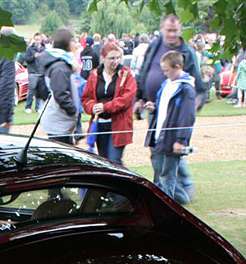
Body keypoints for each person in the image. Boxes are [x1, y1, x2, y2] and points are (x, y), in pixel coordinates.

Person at [134, 15, 204, 203]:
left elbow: (191, 104)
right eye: (168, 30)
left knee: (169, 166)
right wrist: (145, 101)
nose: (172, 34)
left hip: (174, 124)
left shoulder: (186, 56)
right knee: (158, 161)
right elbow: (144, 72)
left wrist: (182, 137)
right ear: (162, 29)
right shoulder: (156, 48)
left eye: (175, 30)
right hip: (158, 119)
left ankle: (170, 200)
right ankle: (171, 196)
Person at [145, 50, 195, 204]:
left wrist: (181, 140)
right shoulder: (167, 84)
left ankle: (166, 205)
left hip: (173, 137)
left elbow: (187, 117)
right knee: (159, 168)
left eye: (167, 70)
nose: (165, 74)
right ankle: (180, 198)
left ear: (177, 67)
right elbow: (165, 107)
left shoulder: (186, 89)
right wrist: (154, 107)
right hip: (160, 134)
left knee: (168, 173)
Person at [81, 42, 136, 165]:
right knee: (104, 161)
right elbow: (86, 98)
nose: (115, 61)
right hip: (100, 125)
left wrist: (105, 107)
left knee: (115, 161)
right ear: (102, 58)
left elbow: (126, 99)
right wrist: (92, 107)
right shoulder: (94, 75)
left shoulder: (126, 74)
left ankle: (123, 184)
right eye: (111, 58)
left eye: (117, 58)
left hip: (119, 124)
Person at [38, 27, 78, 145]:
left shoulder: (57, 62)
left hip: (57, 117)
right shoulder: (59, 67)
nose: (74, 44)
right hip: (59, 119)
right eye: (72, 41)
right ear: (67, 42)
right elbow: (60, 94)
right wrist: (73, 111)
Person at [23, 33, 47, 112]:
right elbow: (26, 59)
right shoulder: (30, 49)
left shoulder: (44, 48)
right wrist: (34, 57)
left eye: (39, 40)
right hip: (32, 71)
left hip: (41, 71)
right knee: (32, 90)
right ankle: (28, 106)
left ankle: (38, 107)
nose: (37, 41)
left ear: (41, 40)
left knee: (40, 90)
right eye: (36, 39)